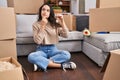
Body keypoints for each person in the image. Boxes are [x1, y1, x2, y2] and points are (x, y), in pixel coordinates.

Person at [28, 3, 76, 72]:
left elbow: (66, 35)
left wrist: (62, 22)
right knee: (31, 57)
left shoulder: (54, 24)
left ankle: (41, 64)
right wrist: (43, 26)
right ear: (40, 11)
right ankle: (61, 65)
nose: (45, 12)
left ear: (50, 13)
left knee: (67, 54)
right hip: (41, 50)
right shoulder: (35, 24)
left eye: (48, 10)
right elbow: (37, 41)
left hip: (53, 49)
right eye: (43, 10)